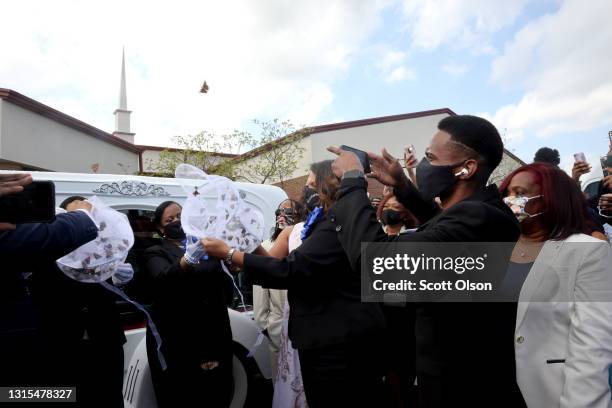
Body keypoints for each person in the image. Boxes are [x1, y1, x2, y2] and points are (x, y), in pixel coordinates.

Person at [327, 115, 522, 407]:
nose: (424, 164)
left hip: (462, 388)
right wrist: (402, 187)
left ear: (466, 168)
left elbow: (377, 264)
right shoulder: (480, 214)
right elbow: (443, 232)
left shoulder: (481, 218)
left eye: (431, 157)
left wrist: (353, 182)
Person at [203, 160, 386, 408]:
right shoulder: (323, 222)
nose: (306, 191)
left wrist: (229, 253)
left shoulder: (336, 225)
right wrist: (252, 245)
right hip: (327, 338)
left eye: (311, 184)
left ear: (329, 184)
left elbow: (291, 270)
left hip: (339, 344)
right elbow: (286, 265)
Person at [498, 162, 612, 407]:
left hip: (547, 392)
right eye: (506, 193)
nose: (510, 200)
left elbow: (592, 347)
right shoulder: (497, 247)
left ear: (551, 198)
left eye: (519, 194)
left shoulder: (587, 250)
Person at [142, 201, 234, 408]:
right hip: (179, 339)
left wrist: (231, 266)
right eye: (169, 219)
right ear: (160, 227)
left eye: (180, 216)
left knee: (219, 393)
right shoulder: (155, 252)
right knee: (184, 396)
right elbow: (163, 280)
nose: (176, 221)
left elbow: (224, 287)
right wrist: (187, 261)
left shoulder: (208, 247)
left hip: (215, 333)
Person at [253, 198, 305, 379]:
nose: (282, 217)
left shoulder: (306, 245)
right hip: (278, 332)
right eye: (279, 213)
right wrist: (268, 328)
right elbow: (260, 300)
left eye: (288, 212)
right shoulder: (266, 248)